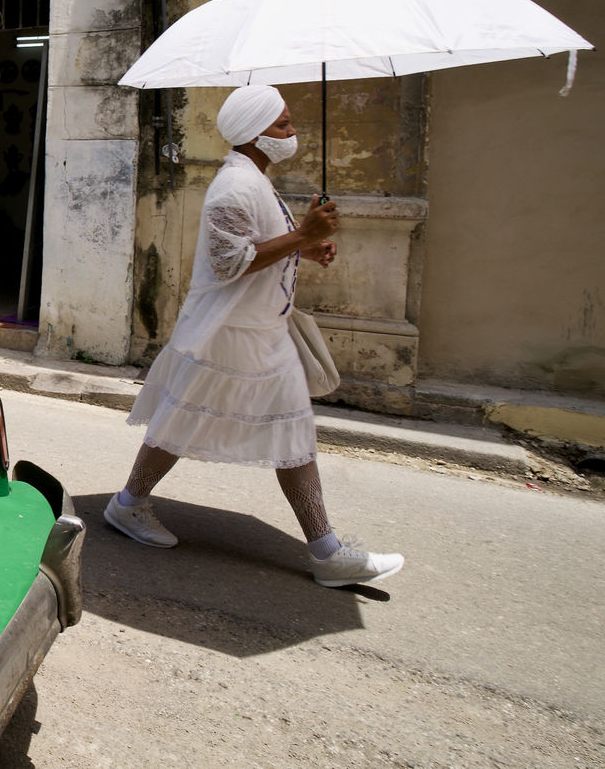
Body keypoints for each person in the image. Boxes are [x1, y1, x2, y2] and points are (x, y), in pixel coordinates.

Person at [105, 85, 403, 588]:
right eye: (283, 124)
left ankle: (325, 549)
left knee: (280, 431)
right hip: (230, 335)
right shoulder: (235, 186)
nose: (292, 132)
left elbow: (258, 244)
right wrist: (303, 236)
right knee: (188, 422)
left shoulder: (256, 181)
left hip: (261, 332)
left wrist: (305, 247)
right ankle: (130, 503)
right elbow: (229, 263)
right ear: (253, 133)